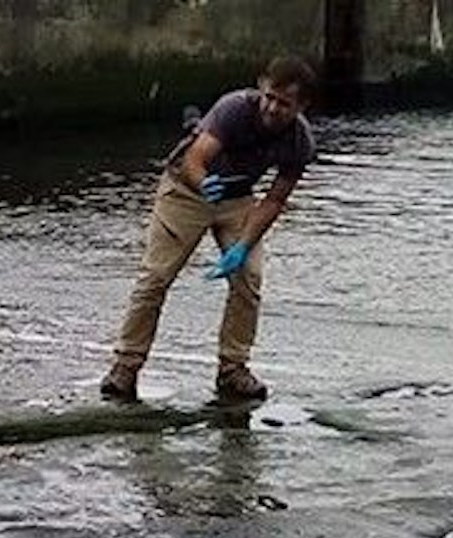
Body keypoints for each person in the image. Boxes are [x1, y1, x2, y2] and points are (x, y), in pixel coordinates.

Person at [100, 55, 318, 404]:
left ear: (301, 106)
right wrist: (203, 183)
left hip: (237, 198)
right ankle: (125, 366)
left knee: (249, 278)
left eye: (284, 104)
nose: (272, 108)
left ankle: (233, 369)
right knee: (155, 277)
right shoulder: (234, 108)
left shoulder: (299, 141)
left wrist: (243, 246)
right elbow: (195, 159)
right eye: (270, 97)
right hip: (187, 190)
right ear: (261, 86)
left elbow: (275, 200)